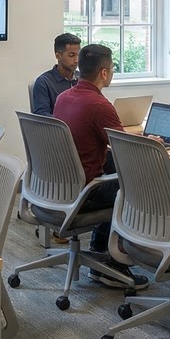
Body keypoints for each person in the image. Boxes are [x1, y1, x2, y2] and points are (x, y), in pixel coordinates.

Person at [52, 43, 150, 290]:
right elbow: (125, 149)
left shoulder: (64, 97)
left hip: (60, 186)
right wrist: (149, 141)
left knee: (114, 170)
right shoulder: (99, 105)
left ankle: (100, 251)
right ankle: (113, 263)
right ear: (104, 73)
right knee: (135, 184)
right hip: (85, 191)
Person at [31, 32, 80, 116]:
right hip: (58, 128)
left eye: (78, 55)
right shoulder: (44, 82)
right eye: (71, 55)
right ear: (58, 56)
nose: (76, 60)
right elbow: (42, 115)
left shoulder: (83, 78)